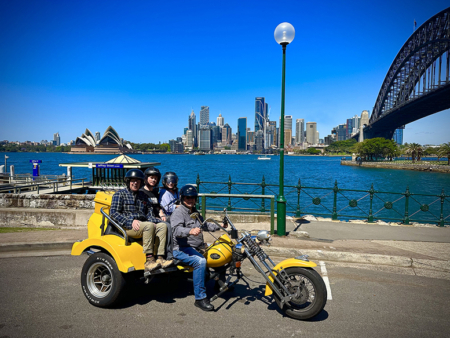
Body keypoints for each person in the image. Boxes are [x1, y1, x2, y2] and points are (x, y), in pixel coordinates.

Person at [170, 185, 227, 312]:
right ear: (182, 198)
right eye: (187, 197)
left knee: (220, 252)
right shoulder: (179, 212)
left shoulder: (194, 212)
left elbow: (204, 225)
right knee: (200, 262)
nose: (190, 200)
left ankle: (220, 283)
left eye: (193, 198)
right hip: (181, 248)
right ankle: (200, 298)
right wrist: (190, 231)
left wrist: (221, 226)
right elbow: (176, 230)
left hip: (196, 246)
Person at [110, 169, 173, 272]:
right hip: (126, 227)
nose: (135, 183)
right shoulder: (119, 194)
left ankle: (160, 258)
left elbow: (149, 212)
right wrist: (130, 221)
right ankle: (149, 261)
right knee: (149, 226)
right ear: (128, 181)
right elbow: (113, 213)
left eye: (138, 181)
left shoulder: (143, 196)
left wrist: (154, 221)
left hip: (142, 225)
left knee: (163, 226)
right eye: (133, 181)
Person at [140, 166, 173, 259]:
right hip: (149, 219)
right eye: (151, 178)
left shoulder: (154, 192)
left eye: (155, 178)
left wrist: (161, 212)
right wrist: (156, 218)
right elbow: (143, 210)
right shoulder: (141, 192)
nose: (153, 180)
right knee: (167, 225)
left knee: (174, 220)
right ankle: (169, 253)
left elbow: (157, 205)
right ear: (146, 178)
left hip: (157, 217)